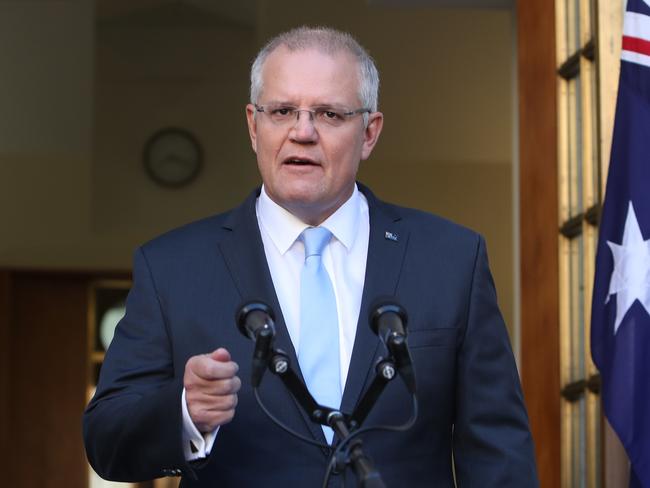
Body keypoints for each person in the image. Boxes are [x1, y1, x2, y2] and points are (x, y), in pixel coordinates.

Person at [83, 26, 538, 487]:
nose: (302, 132)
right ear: (252, 126)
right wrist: (184, 413)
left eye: (329, 114)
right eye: (282, 111)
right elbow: (106, 439)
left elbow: (499, 453)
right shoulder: (172, 268)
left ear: (369, 133)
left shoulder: (451, 260)